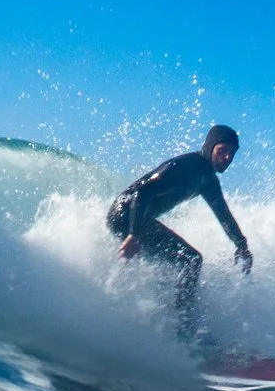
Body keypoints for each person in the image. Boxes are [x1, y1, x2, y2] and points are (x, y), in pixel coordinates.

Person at [106, 124, 252, 339]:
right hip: (125, 214)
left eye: (231, 153)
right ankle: (183, 330)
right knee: (191, 260)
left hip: (136, 219)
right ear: (210, 147)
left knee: (180, 265)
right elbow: (141, 194)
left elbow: (224, 215)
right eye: (222, 151)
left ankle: (158, 323)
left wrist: (242, 245)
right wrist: (133, 234)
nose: (227, 157)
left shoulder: (208, 180)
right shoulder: (184, 166)